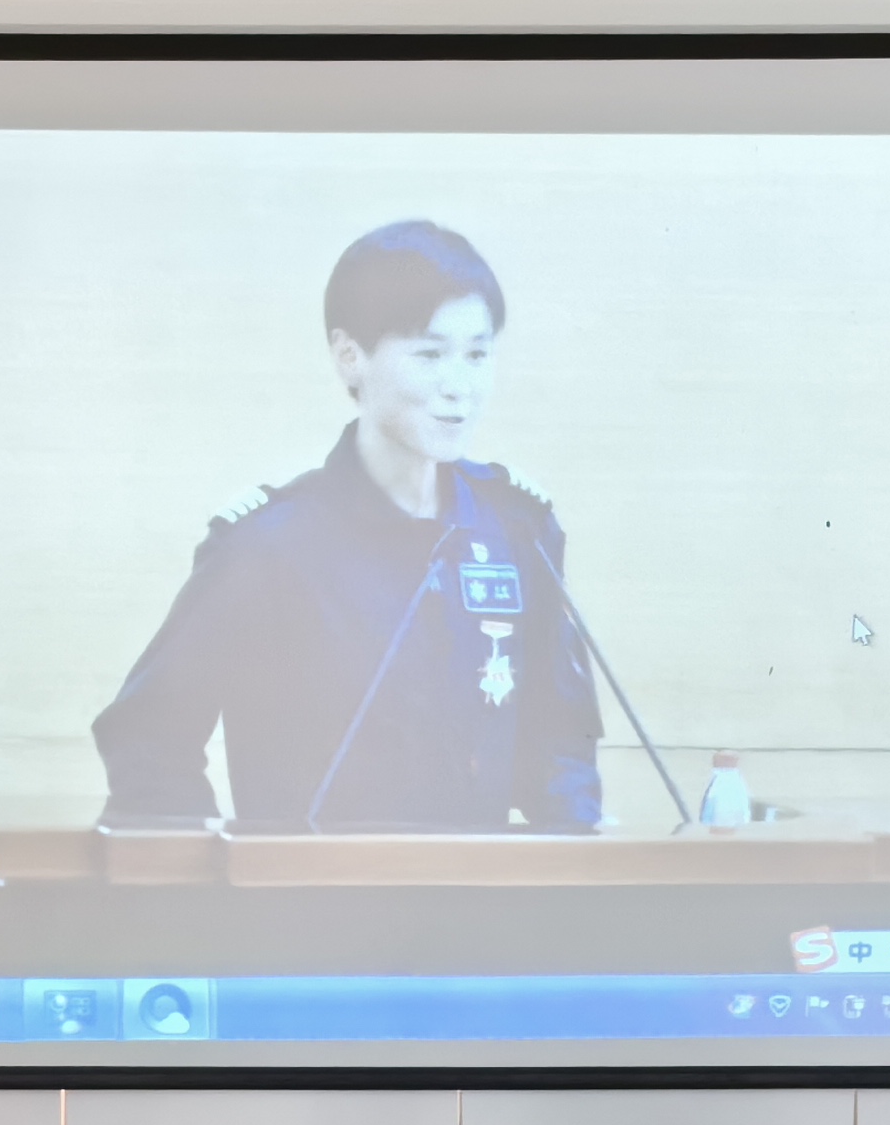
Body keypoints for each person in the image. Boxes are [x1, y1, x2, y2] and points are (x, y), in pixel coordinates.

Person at [93, 219, 604, 838]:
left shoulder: (516, 530)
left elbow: (561, 743)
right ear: (350, 357)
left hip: (476, 894)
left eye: (477, 354)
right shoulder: (267, 546)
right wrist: (222, 874)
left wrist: (574, 864)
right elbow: (148, 739)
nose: (459, 388)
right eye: (430, 355)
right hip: (315, 895)